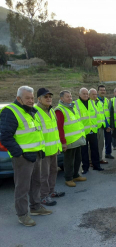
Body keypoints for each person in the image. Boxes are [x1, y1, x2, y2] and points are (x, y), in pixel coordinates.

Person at [0, 86, 51, 227]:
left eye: (32, 97)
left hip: (36, 154)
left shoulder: (31, 111)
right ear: (18, 98)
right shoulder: (10, 111)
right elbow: (5, 136)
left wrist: (41, 150)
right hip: (23, 158)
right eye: (27, 98)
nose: (31, 100)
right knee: (22, 187)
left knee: (36, 183)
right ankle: (22, 215)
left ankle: (36, 207)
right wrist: (20, 154)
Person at [35, 88, 65, 207]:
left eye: (50, 97)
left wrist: (58, 145)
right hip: (43, 151)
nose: (48, 99)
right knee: (44, 175)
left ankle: (51, 192)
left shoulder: (51, 110)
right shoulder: (35, 111)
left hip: (53, 149)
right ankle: (43, 196)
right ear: (39, 99)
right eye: (45, 97)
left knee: (53, 172)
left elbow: (54, 130)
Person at [55, 90, 87, 187]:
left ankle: (75, 175)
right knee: (69, 161)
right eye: (67, 97)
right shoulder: (59, 110)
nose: (70, 98)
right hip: (69, 141)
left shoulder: (72, 107)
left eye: (70, 96)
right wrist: (63, 142)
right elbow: (59, 128)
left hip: (77, 138)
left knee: (78, 158)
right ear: (61, 99)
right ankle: (68, 178)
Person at [74, 88, 104, 174]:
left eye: (87, 94)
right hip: (83, 132)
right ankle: (85, 168)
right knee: (84, 151)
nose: (86, 95)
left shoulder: (92, 102)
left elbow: (96, 116)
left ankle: (96, 166)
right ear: (79, 94)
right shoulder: (75, 104)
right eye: (84, 94)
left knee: (95, 149)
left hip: (93, 130)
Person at [89, 88, 109, 165]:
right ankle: (91, 160)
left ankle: (100, 158)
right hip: (92, 128)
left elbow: (103, 115)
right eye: (93, 94)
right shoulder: (88, 103)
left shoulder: (99, 103)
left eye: (95, 94)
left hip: (100, 127)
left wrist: (106, 125)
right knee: (92, 146)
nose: (95, 96)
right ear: (89, 95)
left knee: (101, 144)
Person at [98, 85, 114, 159]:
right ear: (98, 91)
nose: (103, 91)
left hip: (107, 124)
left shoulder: (107, 100)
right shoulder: (95, 101)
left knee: (108, 139)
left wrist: (110, 125)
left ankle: (108, 153)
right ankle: (99, 156)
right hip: (100, 123)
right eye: (101, 90)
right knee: (100, 142)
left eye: (104, 90)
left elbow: (110, 113)